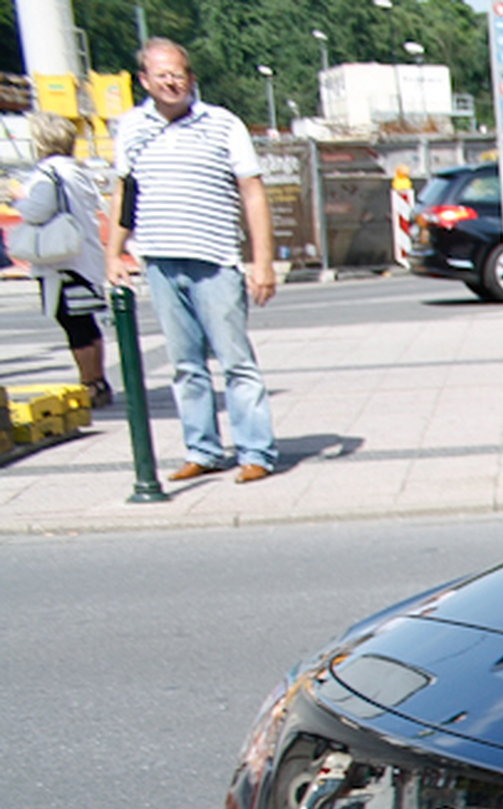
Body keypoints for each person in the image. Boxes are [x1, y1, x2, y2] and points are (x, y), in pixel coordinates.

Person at [104, 38, 278, 482]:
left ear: (191, 78)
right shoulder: (131, 128)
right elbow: (126, 192)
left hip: (215, 257)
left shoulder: (222, 125)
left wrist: (263, 261)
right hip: (160, 258)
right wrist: (113, 252)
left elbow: (252, 191)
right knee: (185, 364)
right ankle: (201, 449)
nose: (171, 81)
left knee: (236, 360)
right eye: (161, 74)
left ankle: (255, 451)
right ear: (143, 80)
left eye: (178, 73)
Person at [10, 112, 113, 404]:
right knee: (86, 321)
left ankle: (88, 383)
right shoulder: (76, 171)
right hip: (86, 257)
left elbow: (37, 211)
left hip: (61, 261)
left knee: (72, 323)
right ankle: (99, 381)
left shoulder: (46, 174)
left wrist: (18, 197)